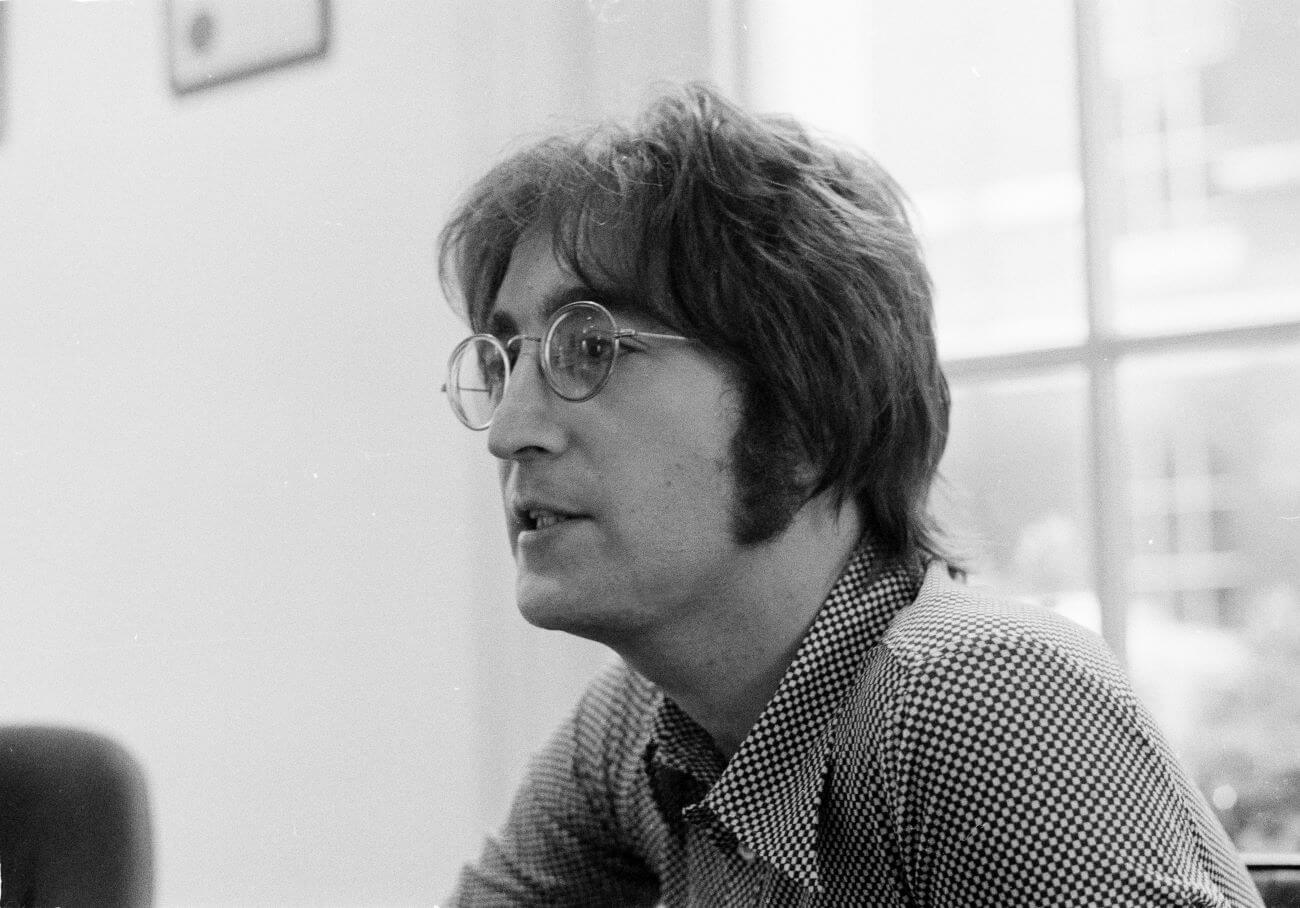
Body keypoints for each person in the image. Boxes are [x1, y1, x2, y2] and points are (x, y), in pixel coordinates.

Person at [437, 83, 1263, 906]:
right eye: (502, 359)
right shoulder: (646, 729)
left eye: (589, 347)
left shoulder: (979, 700)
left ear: (803, 420)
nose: (508, 430)